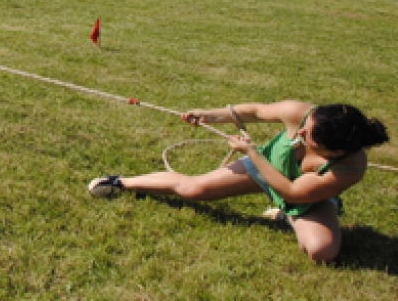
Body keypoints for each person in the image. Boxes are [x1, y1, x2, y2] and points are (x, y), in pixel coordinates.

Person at [88, 101, 390, 263]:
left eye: (309, 137)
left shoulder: (350, 166)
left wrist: (251, 152)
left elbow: (294, 192)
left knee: (322, 251)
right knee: (193, 188)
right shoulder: (301, 114)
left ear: (335, 151)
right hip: (264, 168)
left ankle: (292, 216)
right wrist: (212, 115)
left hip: (303, 197)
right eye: (305, 127)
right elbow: (256, 111)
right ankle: (121, 182)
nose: (299, 134)